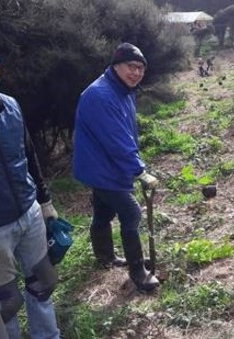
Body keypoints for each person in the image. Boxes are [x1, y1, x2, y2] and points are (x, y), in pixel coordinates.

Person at [73, 42, 160, 292]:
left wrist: (133, 164)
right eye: (131, 67)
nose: (136, 73)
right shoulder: (101, 95)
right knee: (131, 214)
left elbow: (125, 134)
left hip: (105, 164)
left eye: (141, 69)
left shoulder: (121, 89)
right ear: (116, 65)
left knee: (103, 212)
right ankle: (138, 273)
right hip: (102, 167)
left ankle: (105, 258)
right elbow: (117, 141)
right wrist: (139, 171)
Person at [0, 48, 60, 338]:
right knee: (4, 302)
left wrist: (45, 202)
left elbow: (31, 156)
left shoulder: (12, 107)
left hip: (29, 213)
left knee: (43, 282)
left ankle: (48, 335)